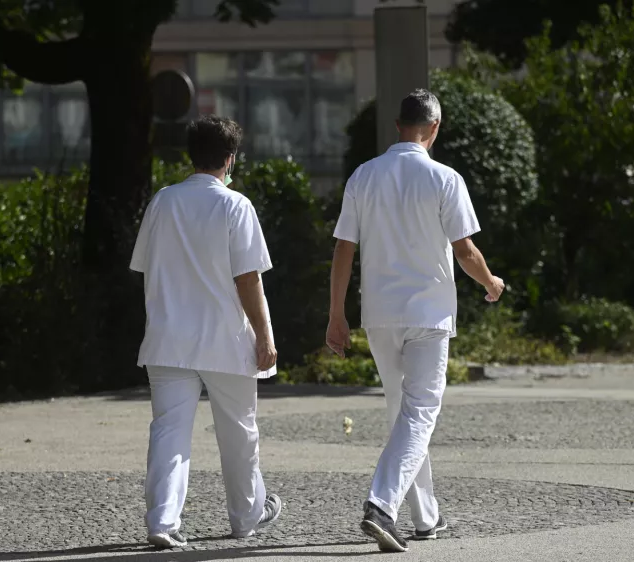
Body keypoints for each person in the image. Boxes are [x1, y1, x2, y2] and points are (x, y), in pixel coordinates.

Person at [326, 89, 504, 552]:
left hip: (380, 315)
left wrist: (336, 314)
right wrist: (491, 282)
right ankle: (381, 505)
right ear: (435, 127)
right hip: (427, 313)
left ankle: (425, 517)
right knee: (420, 413)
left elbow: (344, 249)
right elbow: (465, 252)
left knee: (402, 414)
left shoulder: (363, 176)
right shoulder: (445, 179)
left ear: (398, 126)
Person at [130, 115, 283, 549]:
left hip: (168, 338)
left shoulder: (162, 201)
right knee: (239, 432)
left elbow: (144, 267)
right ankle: (246, 516)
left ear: (190, 155)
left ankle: (162, 520)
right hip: (225, 340)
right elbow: (248, 279)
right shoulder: (236, 206)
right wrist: (265, 337)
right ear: (230, 158)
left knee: (168, 432)